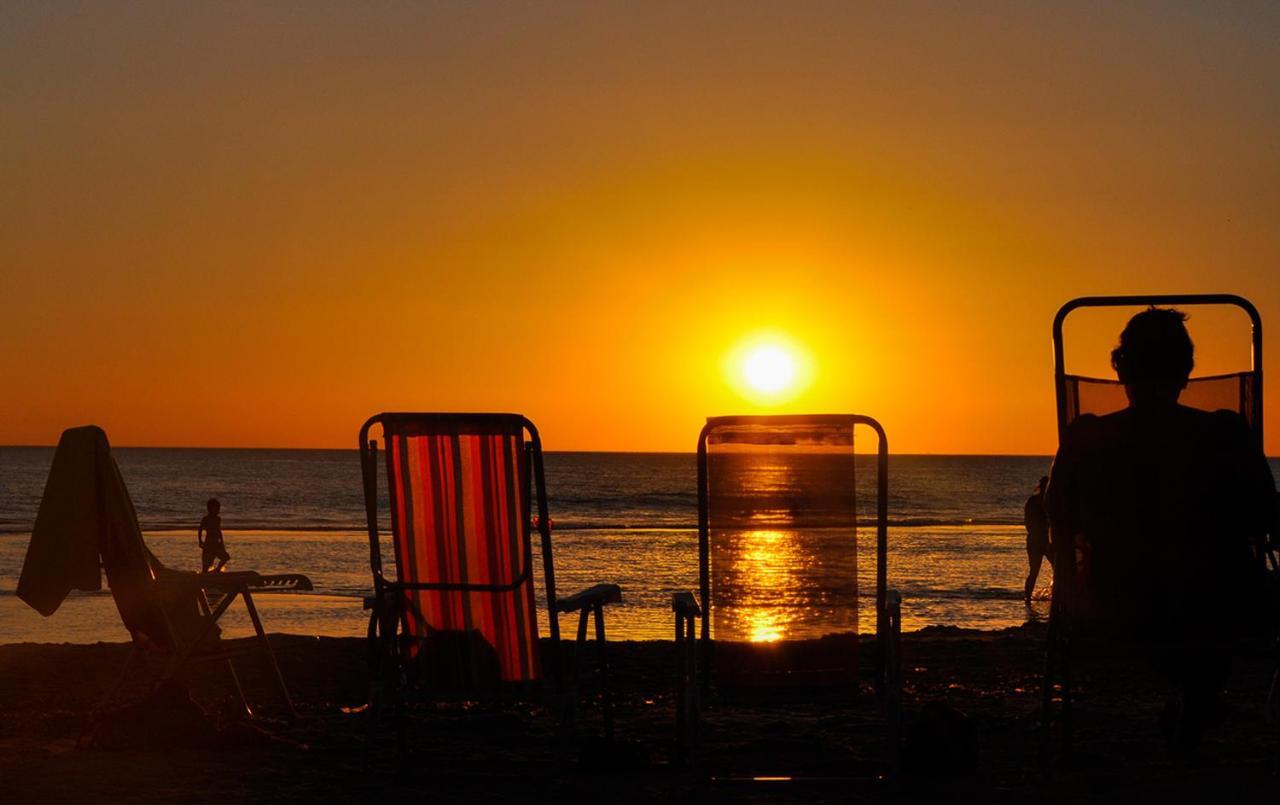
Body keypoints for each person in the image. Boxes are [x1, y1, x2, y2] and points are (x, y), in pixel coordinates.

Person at [1045, 307, 1275, 746]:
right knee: (1213, 593)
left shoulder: (1086, 436)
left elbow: (1059, 513)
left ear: (1121, 369)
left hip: (1116, 606)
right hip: (1223, 607)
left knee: (1166, 598)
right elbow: (1264, 515)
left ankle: (1195, 699)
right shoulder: (1225, 432)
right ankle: (1199, 698)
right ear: (1187, 372)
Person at [1024, 476, 1050, 603]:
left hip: (1037, 539)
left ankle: (1027, 597)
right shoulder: (1046, 502)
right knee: (1035, 571)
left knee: (1034, 571)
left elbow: (1027, 522)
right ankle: (1027, 598)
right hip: (1041, 540)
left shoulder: (1033, 501)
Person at [198, 498, 230, 573]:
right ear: (210, 509)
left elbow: (219, 532)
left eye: (218, 508)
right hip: (208, 545)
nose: (218, 510)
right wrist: (200, 541)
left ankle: (217, 570)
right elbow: (200, 530)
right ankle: (204, 577)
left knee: (225, 557)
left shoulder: (218, 519)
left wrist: (222, 544)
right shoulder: (206, 519)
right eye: (217, 508)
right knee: (205, 566)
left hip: (216, 544)